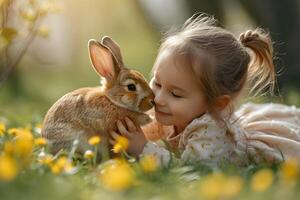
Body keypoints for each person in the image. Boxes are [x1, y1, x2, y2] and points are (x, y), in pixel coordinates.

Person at [110, 13, 300, 167]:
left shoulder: (211, 132)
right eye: (158, 83)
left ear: (217, 103)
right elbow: (150, 128)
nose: (158, 98)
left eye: (175, 94)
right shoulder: (169, 109)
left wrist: (143, 149)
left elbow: (190, 170)